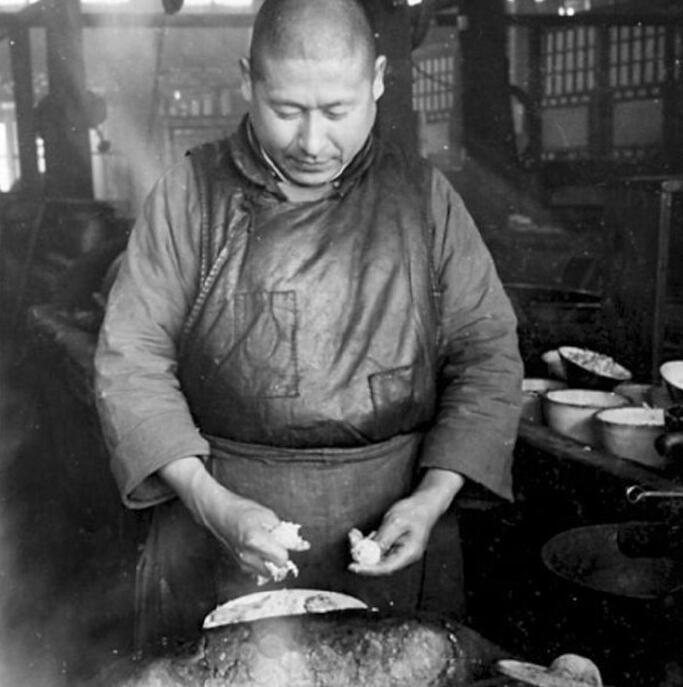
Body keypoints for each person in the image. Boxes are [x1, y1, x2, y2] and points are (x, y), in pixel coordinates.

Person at [94, 0, 523, 652]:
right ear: (248, 81)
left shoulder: (423, 198)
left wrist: (433, 496)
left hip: (398, 529)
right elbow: (132, 360)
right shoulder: (189, 195)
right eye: (287, 111)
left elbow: (486, 353)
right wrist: (211, 503)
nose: (313, 143)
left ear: (377, 81)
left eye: (337, 112)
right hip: (216, 529)